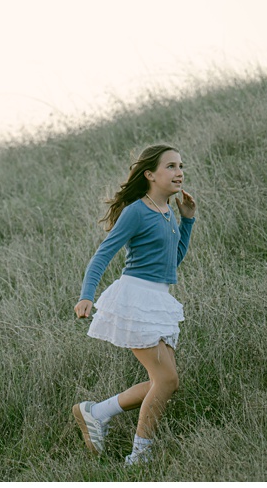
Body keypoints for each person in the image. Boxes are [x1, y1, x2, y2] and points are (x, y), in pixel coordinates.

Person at [72, 144, 197, 466]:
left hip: (159, 298)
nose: (179, 172)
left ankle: (96, 412)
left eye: (180, 165)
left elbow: (174, 261)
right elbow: (103, 255)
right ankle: (139, 457)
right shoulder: (136, 212)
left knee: (167, 382)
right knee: (166, 380)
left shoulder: (168, 210)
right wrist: (87, 295)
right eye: (170, 166)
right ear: (150, 174)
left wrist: (187, 221)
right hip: (134, 298)